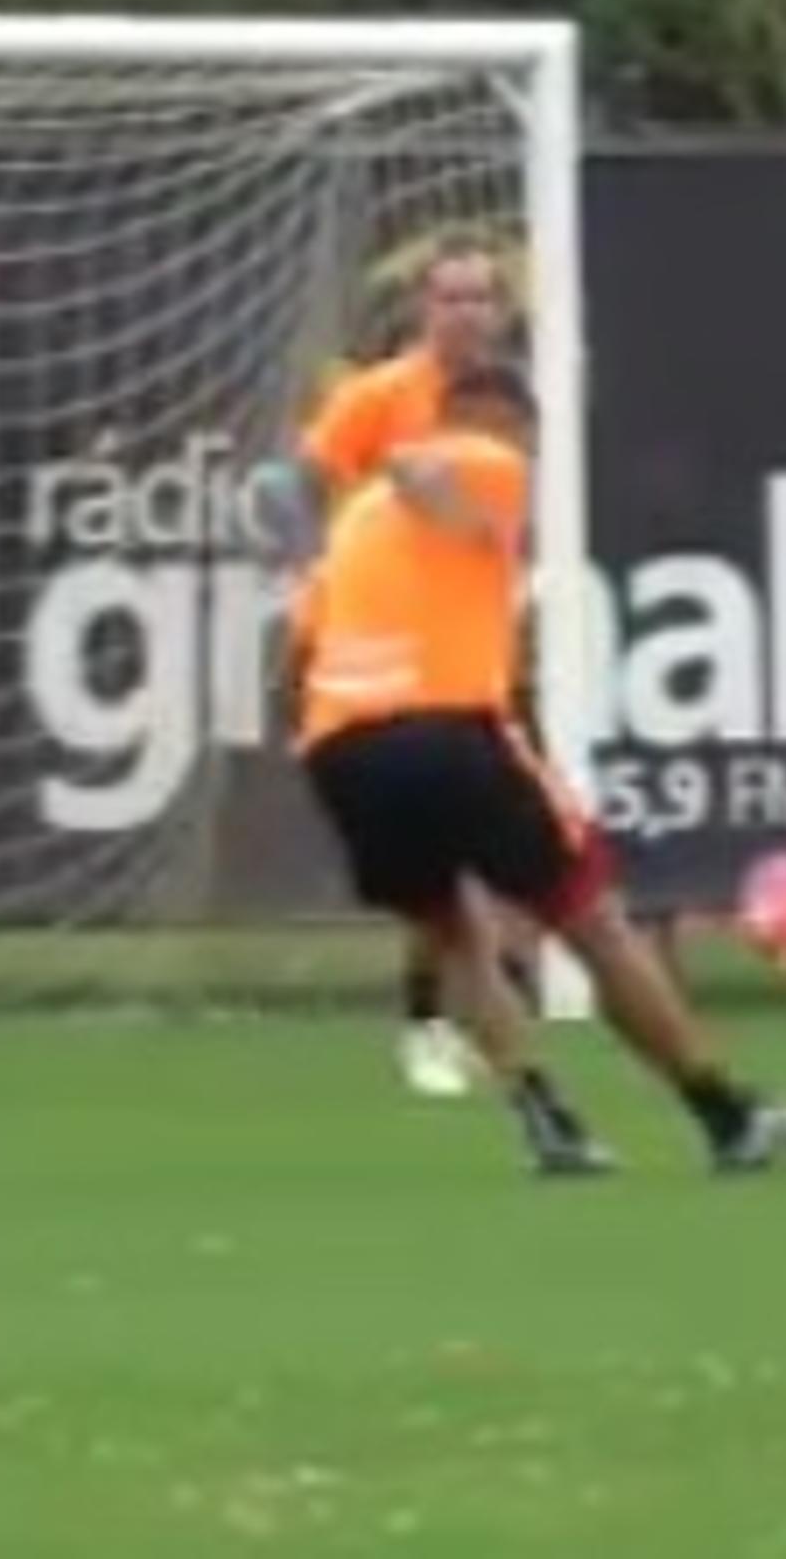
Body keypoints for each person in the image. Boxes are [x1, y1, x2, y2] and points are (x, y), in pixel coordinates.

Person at [294, 361, 786, 1177]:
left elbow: (300, 646)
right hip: (444, 729)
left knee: (456, 939)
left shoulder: (353, 524)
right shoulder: (485, 460)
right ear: (504, 424)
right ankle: (727, 1118)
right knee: (593, 923)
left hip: (339, 750)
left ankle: (547, 1122)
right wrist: (425, 473)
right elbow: (422, 467)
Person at [265, 237, 544, 1100]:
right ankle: (432, 1021)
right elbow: (286, 487)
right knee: (446, 860)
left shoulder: (506, 404)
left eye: (480, 299)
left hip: (477, 645)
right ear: (423, 310)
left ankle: (480, 1014)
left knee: (525, 851)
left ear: (502, 312)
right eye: (448, 298)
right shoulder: (381, 396)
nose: (465, 314)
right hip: (390, 664)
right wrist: (316, 571)